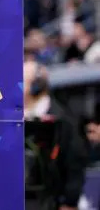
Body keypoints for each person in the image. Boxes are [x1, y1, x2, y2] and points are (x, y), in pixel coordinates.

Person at [23, 59, 87, 210]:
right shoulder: (12, 117)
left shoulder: (63, 120)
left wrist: (69, 201)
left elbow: (74, 164)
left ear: (35, 87)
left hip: (49, 201)